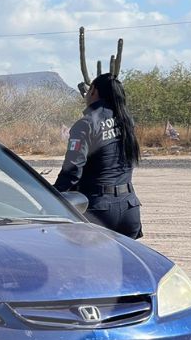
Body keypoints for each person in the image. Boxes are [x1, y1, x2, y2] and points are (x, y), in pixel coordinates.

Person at [54, 73, 143, 239]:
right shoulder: (126, 121)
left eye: (88, 90)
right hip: (129, 207)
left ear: (94, 91)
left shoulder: (86, 124)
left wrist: (52, 196)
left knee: (87, 263)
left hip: (99, 210)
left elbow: (72, 171)